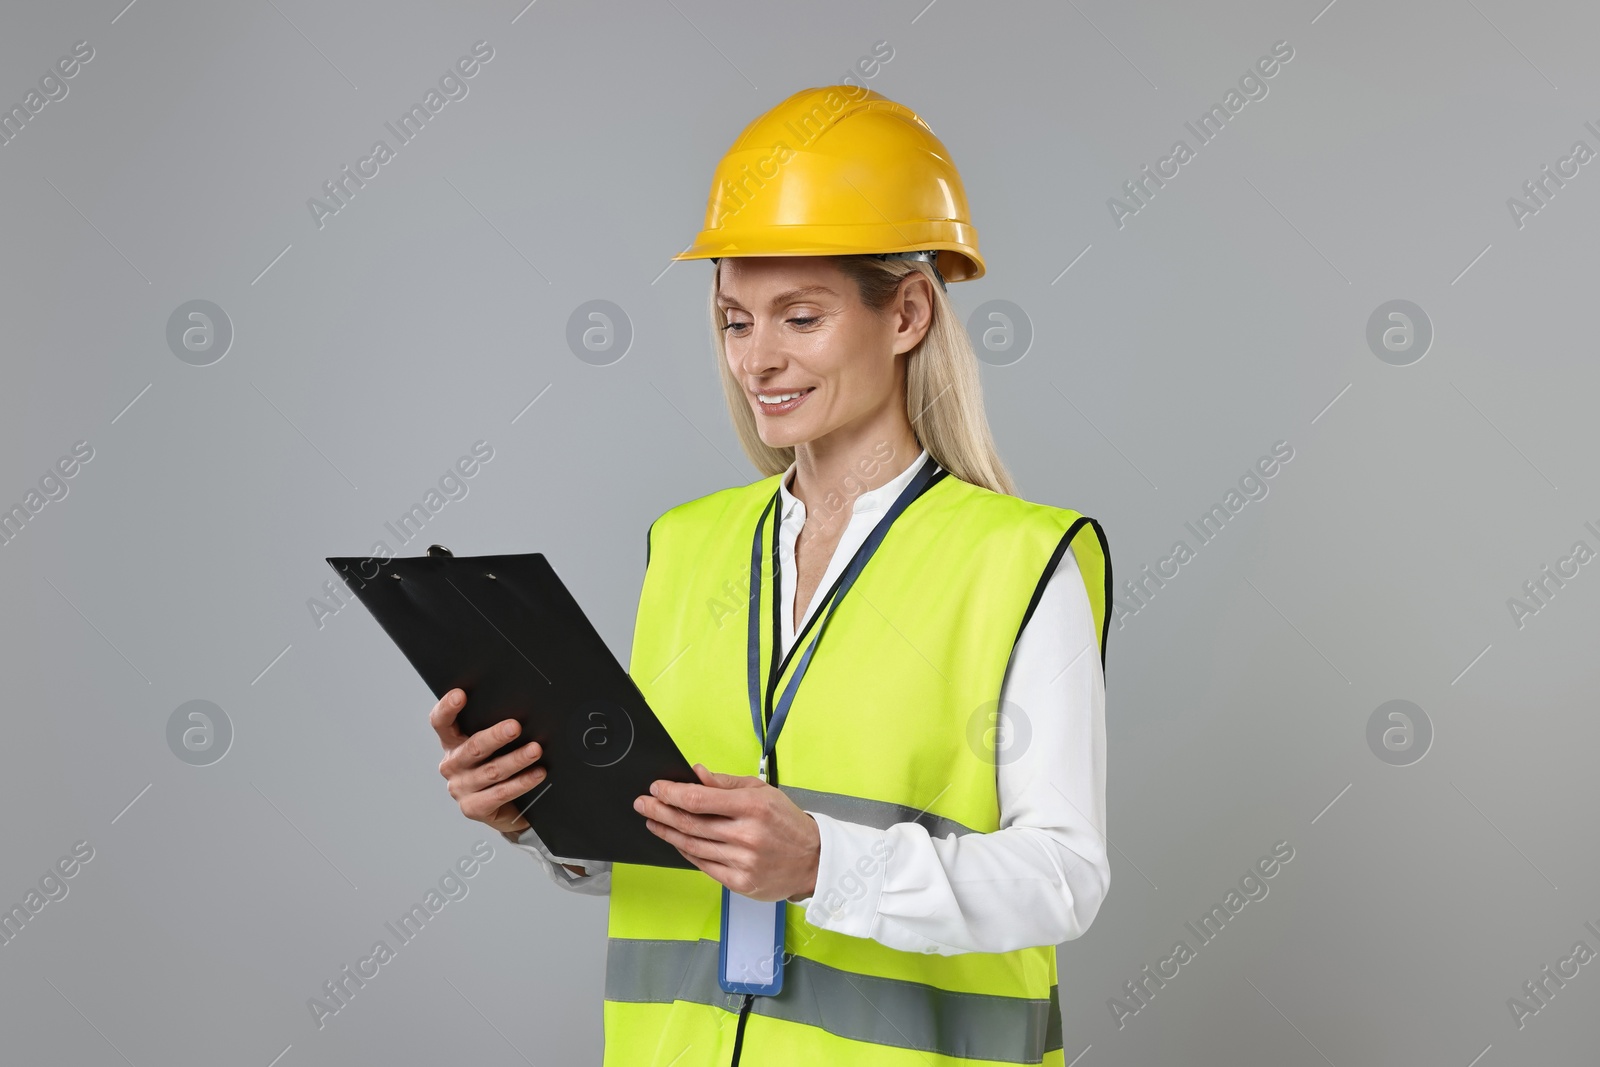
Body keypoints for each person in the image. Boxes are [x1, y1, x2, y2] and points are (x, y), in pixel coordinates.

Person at [431, 85, 1112, 1066]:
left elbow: (1063, 875)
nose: (758, 359)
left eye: (799, 316)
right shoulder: (688, 543)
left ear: (908, 312)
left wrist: (826, 863)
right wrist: (539, 813)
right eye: (735, 320)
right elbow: (662, 838)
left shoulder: (1015, 562)